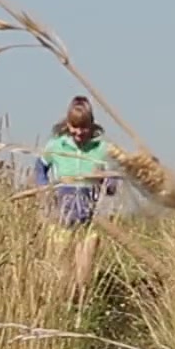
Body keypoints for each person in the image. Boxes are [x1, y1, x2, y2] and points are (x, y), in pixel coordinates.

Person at [33, 96, 119, 305]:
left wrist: (108, 182)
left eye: (84, 128)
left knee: (83, 276)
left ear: (92, 125)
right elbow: (40, 168)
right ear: (68, 125)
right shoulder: (56, 145)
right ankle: (60, 310)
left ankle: (81, 312)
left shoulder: (102, 149)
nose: (79, 133)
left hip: (90, 222)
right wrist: (44, 188)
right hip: (61, 221)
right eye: (75, 127)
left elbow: (113, 178)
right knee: (60, 275)